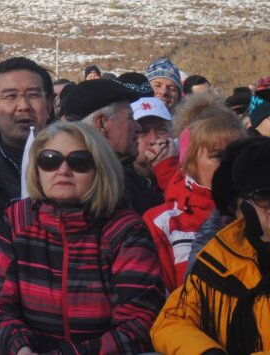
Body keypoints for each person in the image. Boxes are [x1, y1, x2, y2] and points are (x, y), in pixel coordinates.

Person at [0, 121, 164, 353]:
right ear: (37, 169)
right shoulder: (17, 220)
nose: (63, 170)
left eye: (79, 161)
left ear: (100, 169)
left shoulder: (125, 229)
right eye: (50, 160)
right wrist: (18, 349)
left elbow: (139, 321)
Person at [151, 137, 270, 353]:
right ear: (238, 207)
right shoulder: (220, 260)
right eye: (265, 195)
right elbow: (171, 321)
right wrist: (205, 351)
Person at [0, 57, 53, 279]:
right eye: (10, 96)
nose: (23, 105)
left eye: (33, 95)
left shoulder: (83, 167)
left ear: (50, 105)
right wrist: (11, 241)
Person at [144, 109, 245, 289]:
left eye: (237, 154)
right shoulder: (162, 222)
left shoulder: (260, 211)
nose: (230, 163)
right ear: (191, 163)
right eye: (218, 156)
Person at [59, 78, 161, 213]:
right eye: (130, 118)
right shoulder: (89, 189)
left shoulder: (125, 176)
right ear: (101, 124)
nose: (138, 127)